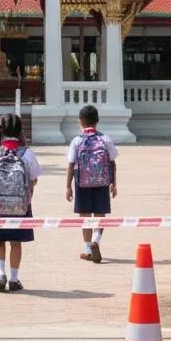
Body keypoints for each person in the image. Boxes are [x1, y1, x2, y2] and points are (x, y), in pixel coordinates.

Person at [0, 112, 41, 292]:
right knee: (15, 242)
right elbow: (34, 179)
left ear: (0, 130)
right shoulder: (27, 153)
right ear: (20, 130)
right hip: (20, 206)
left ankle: (0, 273)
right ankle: (14, 278)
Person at [65, 104, 118, 263]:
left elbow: (70, 165)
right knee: (100, 214)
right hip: (102, 182)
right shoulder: (105, 139)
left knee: (85, 215)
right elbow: (113, 163)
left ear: (80, 121)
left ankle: (88, 249)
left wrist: (68, 186)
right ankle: (96, 240)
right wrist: (114, 184)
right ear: (97, 121)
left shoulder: (76, 141)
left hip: (82, 183)